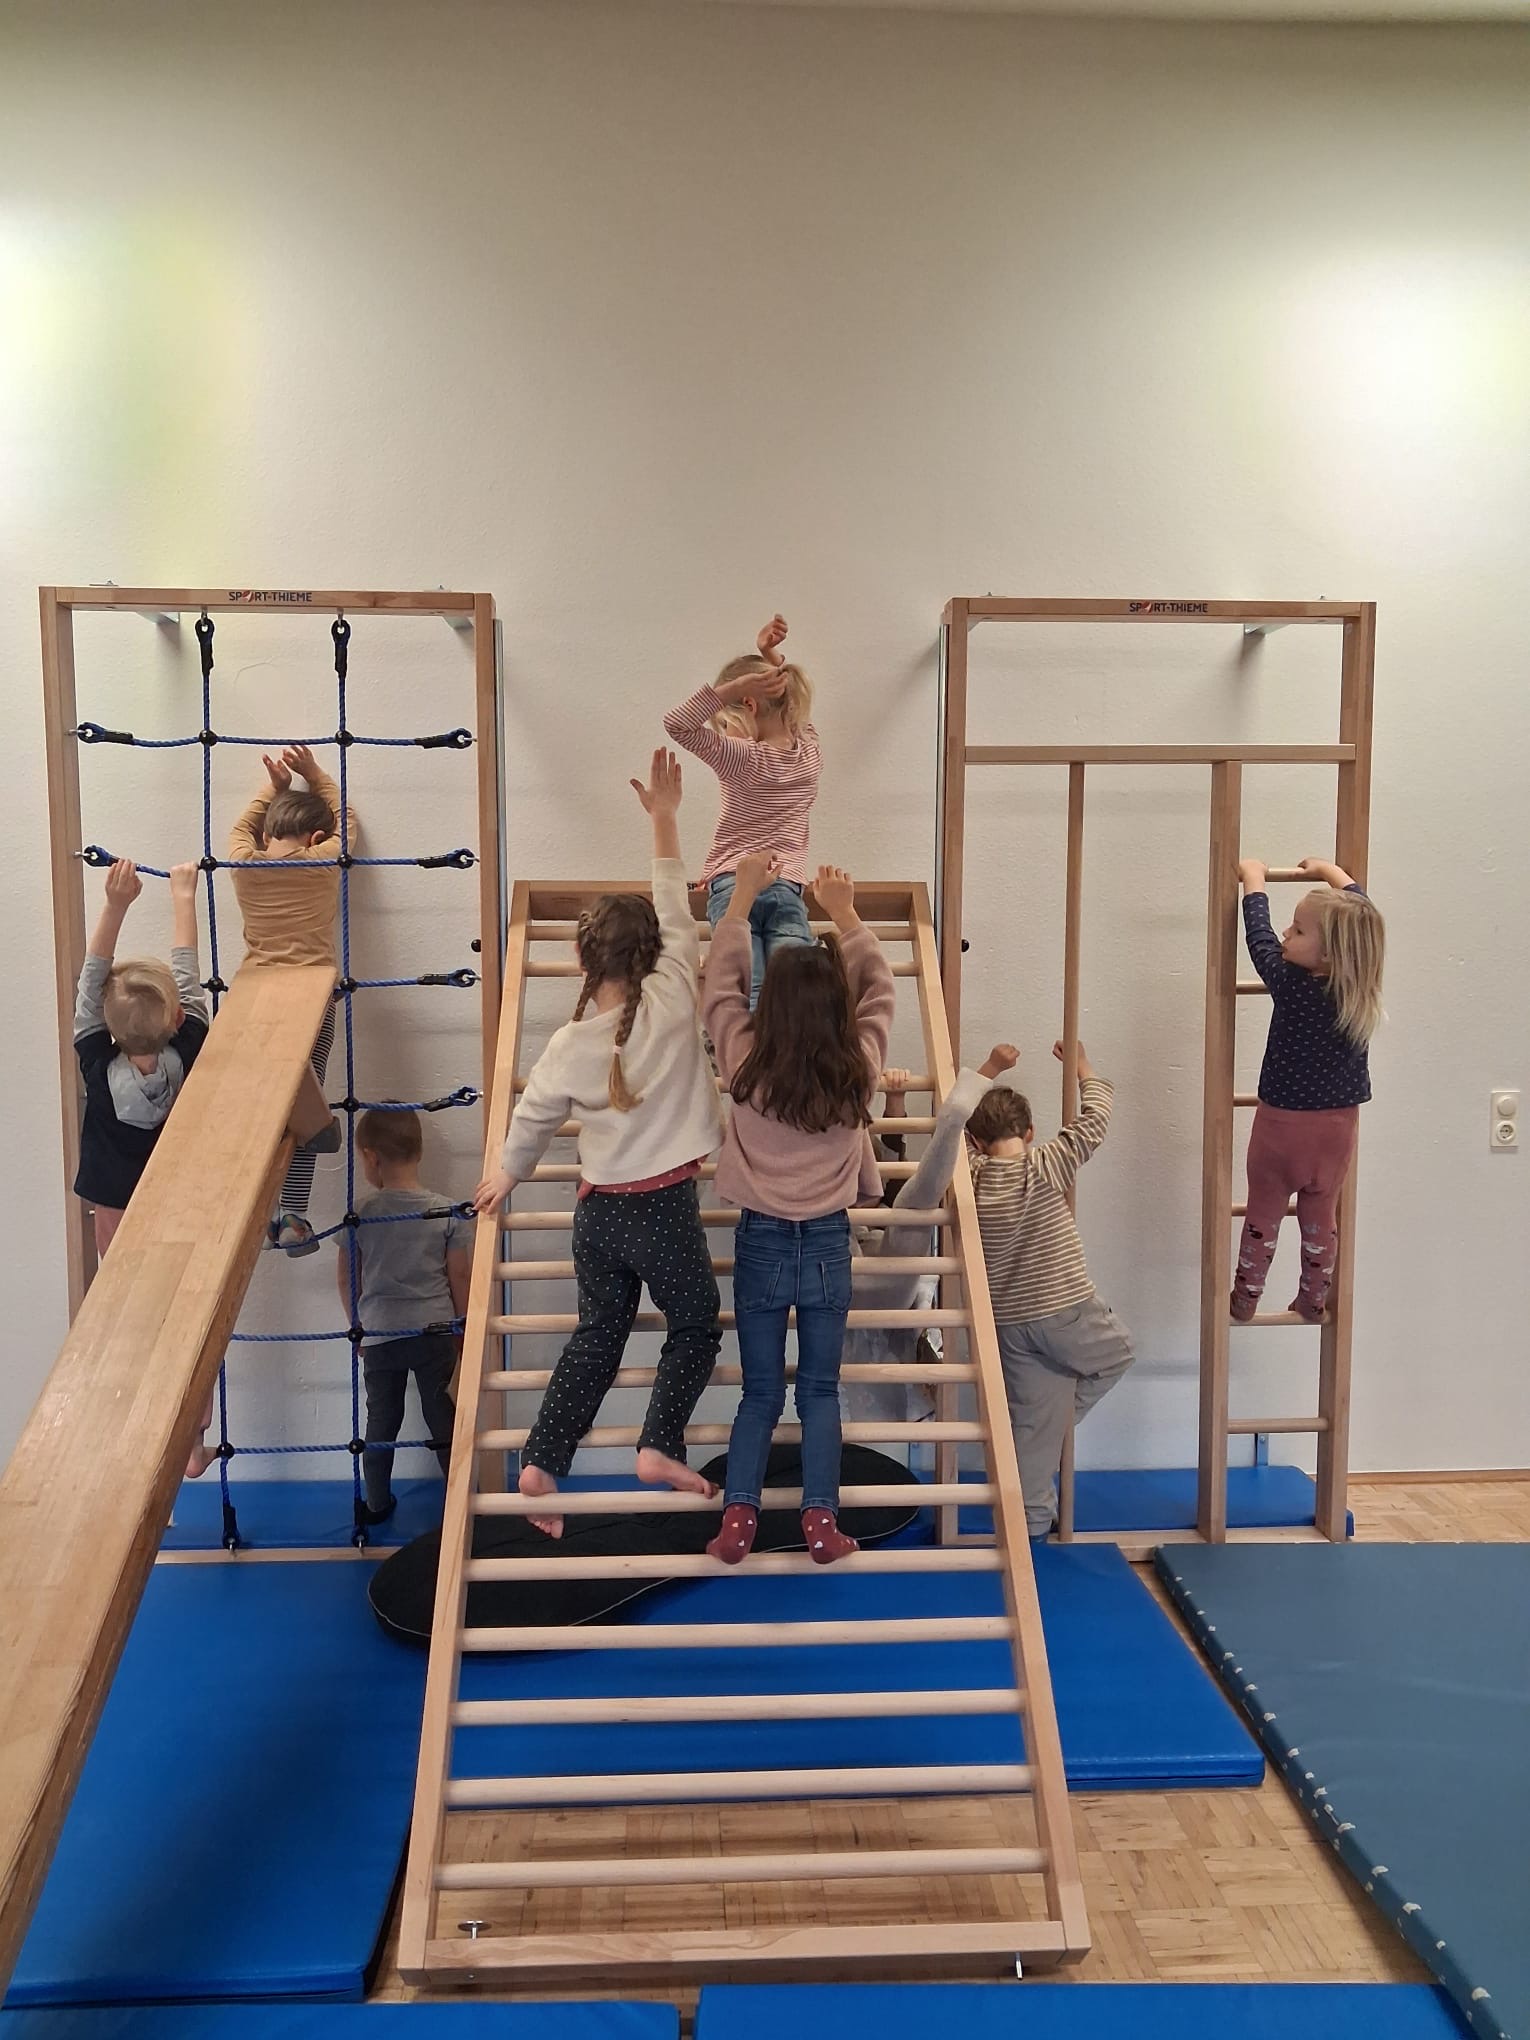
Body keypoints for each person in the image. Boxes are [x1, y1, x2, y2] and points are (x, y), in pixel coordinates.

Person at [472, 750, 724, 1537]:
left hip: (597, 1217)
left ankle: (542, 1461)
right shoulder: (676, 994)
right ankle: (659, 1444)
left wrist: (506, 1174)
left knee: (598, 1335)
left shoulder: (567, 1044)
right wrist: (664, 818)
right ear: (656, 954)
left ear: (582, 960)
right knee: (695, 1324)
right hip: (662, 1212)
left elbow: (533, 1118)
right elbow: (673, 905)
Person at [703, 854, 895, 1566]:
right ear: (838, 1011)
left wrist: (738, 904)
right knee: (818, 1391)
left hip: (759, 1243)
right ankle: (820, 1521)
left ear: (771, 1006)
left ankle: (738, 1519)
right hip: (826, 1246)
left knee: (758, 1393)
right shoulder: (857, 1069)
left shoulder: (744, 1064)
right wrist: (844, 913)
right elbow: (881, 992)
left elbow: (719, 990)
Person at [73, 859, 218, 1475]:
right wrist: (184, 894)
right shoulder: (191, 1046)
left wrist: (114, 905)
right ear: (176, 1020)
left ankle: (128, 1431)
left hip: (115, 1207)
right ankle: (191, 1440)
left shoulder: (93, 1061)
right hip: (177, 1203)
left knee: (132, 1315)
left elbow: (90, 987)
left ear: (107, 1029)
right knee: (189, 1317)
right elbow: (187, 979)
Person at [967, 1040, 1134, 1543]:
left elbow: (949, 1121)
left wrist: (989, 1068)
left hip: (1009, 1323)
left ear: (975, 1142)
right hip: (1065, 1310)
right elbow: (1095, 1119)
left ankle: (1033, 1525)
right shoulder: (1044, 1165)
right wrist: (1083, 1067)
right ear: (1030, 1133)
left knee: (1032, 1425)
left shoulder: (971, 1176)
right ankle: (1052, 1429)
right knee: (1117, 1355)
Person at [1232, 856, 1385, 1323]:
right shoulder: (1359, 982)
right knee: (1321, 1219)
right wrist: (1332, 873)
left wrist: (1254, 880)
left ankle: (1244, 1300)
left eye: (1297, 931)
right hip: (1338, 1130)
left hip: (1281, 1128)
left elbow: (1258, 939)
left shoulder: (1292, 984)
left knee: (1262, 1217)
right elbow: (1361, 913)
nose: (1285, 934)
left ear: (1330, 952)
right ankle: (1314, 1301)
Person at [843, 1046, 1020, 1431]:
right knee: (865, 1218)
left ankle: (955, 1116)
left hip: (889, 1280)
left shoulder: (880, 1183)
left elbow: (892, 1164)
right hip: (849, 1276)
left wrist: (895, 1099)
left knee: (912, 1208)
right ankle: (955, 1116)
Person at [227, 742, 350, 1255]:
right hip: (312, 1001)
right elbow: (348, 822)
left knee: (264, 1108)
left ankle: (258, 1209)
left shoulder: (242, 864)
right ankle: (291, 1213)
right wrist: (316, 774)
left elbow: (239, 828)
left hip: (252, 1002)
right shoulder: (323, 862)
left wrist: (272, 788)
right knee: (306, 1113)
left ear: (265, 835)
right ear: (316, 838)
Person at [663, 614, 821, 1009]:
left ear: (747, 704)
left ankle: (742, 1048)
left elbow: (677, 725)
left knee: (747, 986)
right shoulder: (810, 752)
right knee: (789, 990)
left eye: (724, 723)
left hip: (734, 884)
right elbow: (794, 708)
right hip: (786, 886)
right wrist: (772, 658)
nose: (724, 734)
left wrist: (732, 687)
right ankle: (786, 1045)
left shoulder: (742, 756)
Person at [341, 1106, 471, 1524]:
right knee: (442, 1417)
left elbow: (348, 1277)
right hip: (435, 1332)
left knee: (382, 1420)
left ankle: (377, 1503)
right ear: (418, 1152)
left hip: (381, 1333)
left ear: (371, 1157)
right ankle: (460, 1502)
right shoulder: (447, 1211)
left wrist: (357, 1327)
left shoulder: (359, 1214)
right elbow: (459, 1276)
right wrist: (462, 1328)